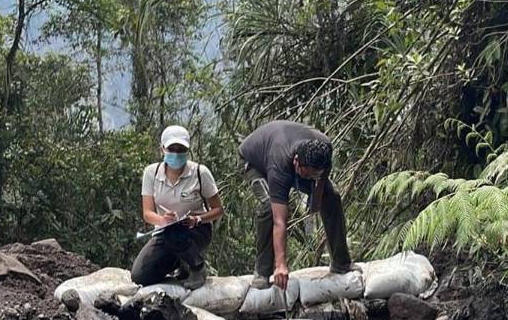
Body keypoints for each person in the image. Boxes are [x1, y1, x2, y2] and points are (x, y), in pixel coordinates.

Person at [238, 120, 357, 290]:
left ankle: (342, 263)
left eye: (313, 176)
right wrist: (281, 265)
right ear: (296, 162)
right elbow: (280, 221)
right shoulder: (279, 164)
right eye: (306, 175)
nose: (309, 180)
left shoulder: (324, 150)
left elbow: (321, 180)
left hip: (290, 154)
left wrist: (316, 200)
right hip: (253, 162)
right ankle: (263, 272)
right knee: (268, 208)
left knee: (332, 198)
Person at [131, 125, 224, 289]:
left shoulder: (200, 173)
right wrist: (162, 220)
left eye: (180, 149)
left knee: (175, 234)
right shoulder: (151, 173)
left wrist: (198, 218)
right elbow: (147, 213)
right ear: (162, 149)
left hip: (196, 232)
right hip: (164, 233)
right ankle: (179, 263)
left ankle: (197, 267)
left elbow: (218, 210)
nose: (175, 153)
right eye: (171, 149)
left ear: (187, 151)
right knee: (140, 276)